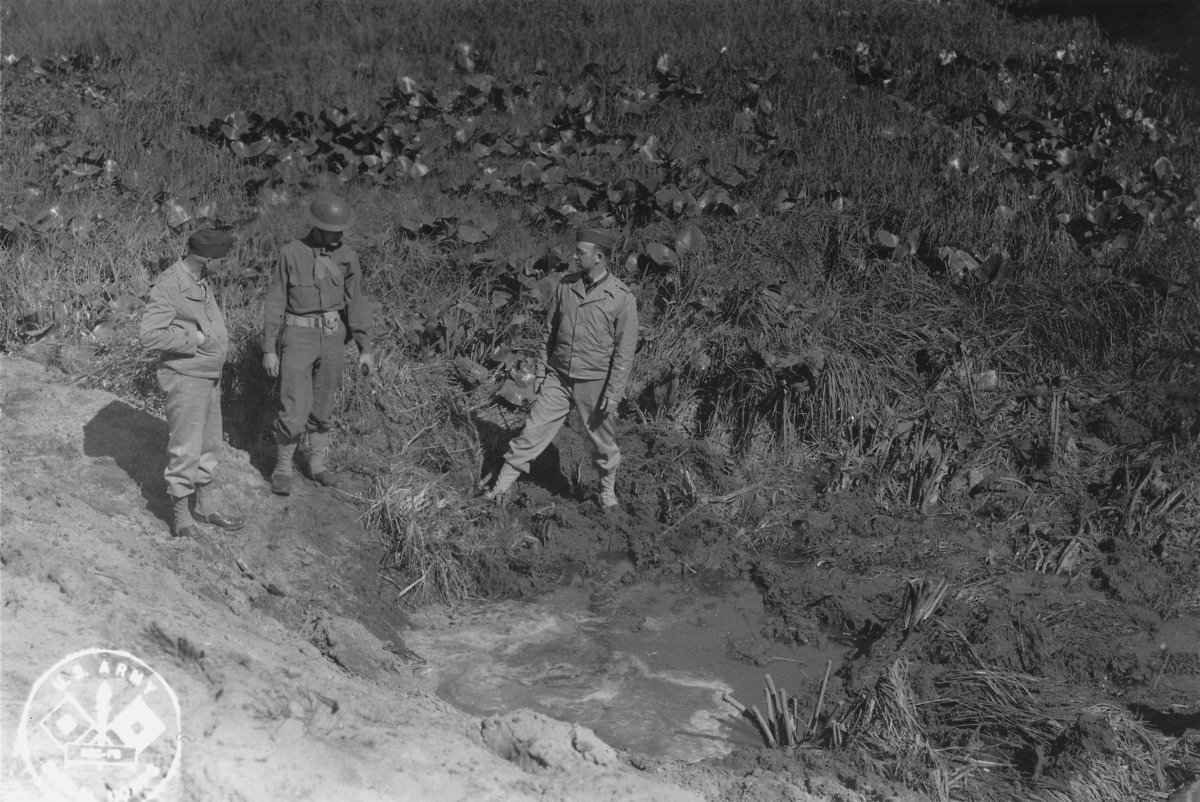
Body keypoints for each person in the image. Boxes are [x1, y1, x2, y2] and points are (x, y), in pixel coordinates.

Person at [485, 229, 638, 509]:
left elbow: (625, 352)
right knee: (532, 431)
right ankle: (500, 488)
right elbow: (549, 333)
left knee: (603, 443)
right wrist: (542, 372)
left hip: (595, 383)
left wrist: (614, 393)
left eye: (581, 252)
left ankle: (608, 494)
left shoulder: (621, 298)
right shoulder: (566, 287)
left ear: (599, 257)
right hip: (558, 377)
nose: (575, 256)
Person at [262, 193, 374, 495]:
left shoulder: (347, 257)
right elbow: (276, 299)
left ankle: (317, 465)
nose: (339, 235)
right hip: (298, 337)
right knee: (294, 404)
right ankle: (283, 467)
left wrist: (365, 347)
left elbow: (356, 301)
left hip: (333, 338)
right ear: (317, 226)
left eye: (341, 230)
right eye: (332, 229)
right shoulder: (292, 253)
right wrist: (269, 348)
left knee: (324, 405)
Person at [139, 229, 246, 538]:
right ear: (207, 259)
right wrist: (193, 338)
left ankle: (206, 507)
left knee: (209, 444)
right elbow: (148, 335)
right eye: (222, 262)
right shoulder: (170, 284)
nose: (225, 267)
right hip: (185, 377)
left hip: (208, 375)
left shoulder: (200, 280)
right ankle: (181, 518)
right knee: (185, 448)